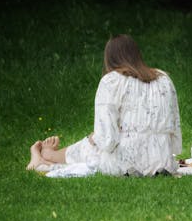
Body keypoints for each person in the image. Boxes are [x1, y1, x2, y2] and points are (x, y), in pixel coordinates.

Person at [26, 34, 182, 176]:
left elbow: (107, 140)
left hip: (127, 164)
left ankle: (47, 158)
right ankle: (50, 156)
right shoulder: (163, 79)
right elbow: (174, 124)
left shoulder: (111, 81)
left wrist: (92, 139)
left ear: (110, 59)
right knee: (97, 139)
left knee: (94, 144)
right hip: (162, 160)